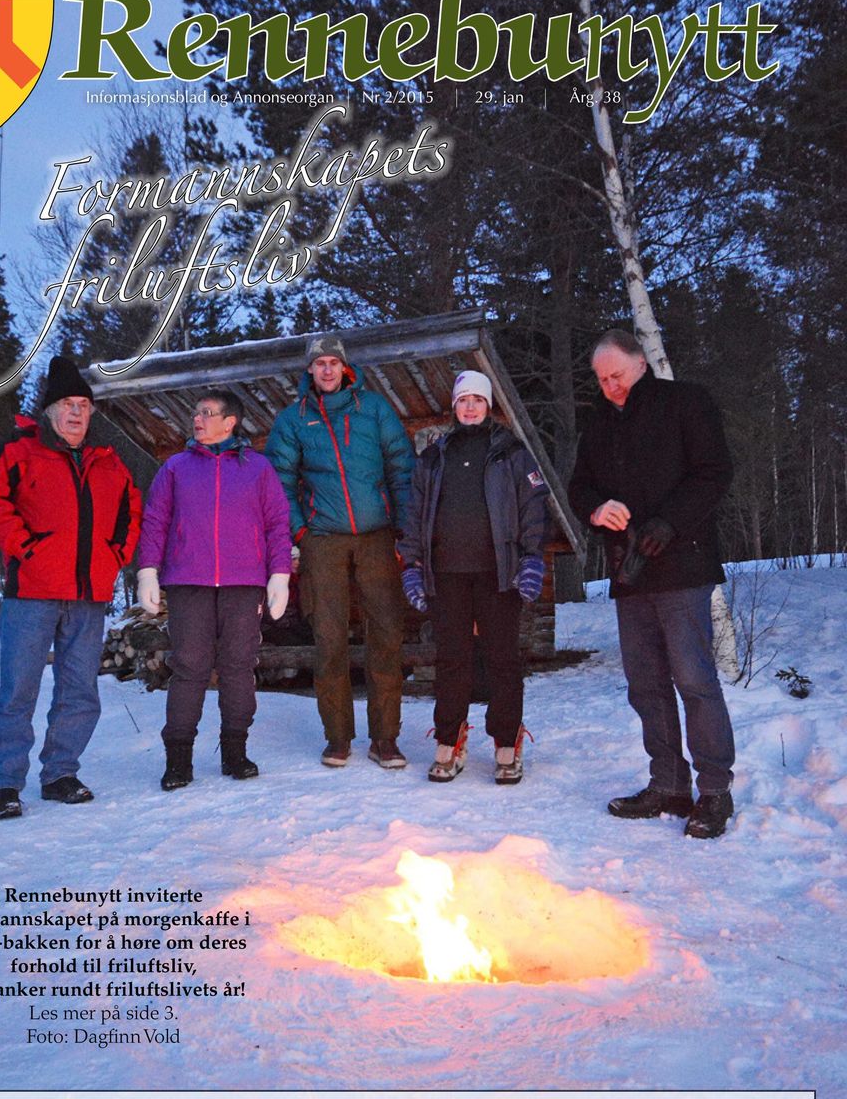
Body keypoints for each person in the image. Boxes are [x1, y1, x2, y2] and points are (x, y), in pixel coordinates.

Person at [568, 329, 736, 839]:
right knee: (646, 686)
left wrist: (671, 521)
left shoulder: (686, 402)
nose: (610, 387)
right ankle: (668, 784)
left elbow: (714, 472)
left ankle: (713, 791)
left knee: (695, 681)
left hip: (682, 565)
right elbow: (579, 486)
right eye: (601, 380)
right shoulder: (598, 425)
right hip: (630, 572)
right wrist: (597, 508)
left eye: (616, 375)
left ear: (640, 362)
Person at [0, 356, 141, 819]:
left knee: (80, 690)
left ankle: (60, 772)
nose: (76, 413)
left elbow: (132, 513)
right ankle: (4, 783)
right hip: (31, 593)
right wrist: (26, 547)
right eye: (67, 404)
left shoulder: (109, 463)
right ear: (49, 410)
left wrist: (116, 556)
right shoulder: (16, 451)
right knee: (18, 690)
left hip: (89, 595)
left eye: (84, 405)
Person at [265, 333, 415, 768]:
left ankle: (385, 738)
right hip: (323, 541)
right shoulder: (294, 420)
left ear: (345, 368)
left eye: (333, 362)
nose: (327, 370)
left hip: (377, 536)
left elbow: (401, 468)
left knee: (386, 633)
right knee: (328, 638)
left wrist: (403, 528)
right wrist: (300, 533)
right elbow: (279, 482)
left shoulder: (374, 410)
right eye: (319, 363)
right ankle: (338, 737)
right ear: (309, 370)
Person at [136, 388, 292, 790]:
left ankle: (235, 752)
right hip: (189, 581)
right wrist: (148, 571)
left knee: (239, 666)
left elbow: (277, 523)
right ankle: (178, 759)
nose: (197, 419)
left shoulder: (258, 469)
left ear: (230, 422)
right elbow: (155, 521)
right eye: (196, 413)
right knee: (189, 667)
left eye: (207, 413)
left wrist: (279, 574)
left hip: (244, 583)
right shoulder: (176, 467)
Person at [399, 371, 548, 784]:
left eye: (477, 401)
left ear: (488, 406)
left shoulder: (511, 453)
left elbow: (534, 509)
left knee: (502, 660)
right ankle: (449, 741)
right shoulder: (433, 459)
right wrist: (412, 565)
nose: (469, 407)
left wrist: (532, 559)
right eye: (463, 400)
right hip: (446, 575)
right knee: (452, 661)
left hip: (499, 575)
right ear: (454, 407)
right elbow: (413, 515)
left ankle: (506, 744)